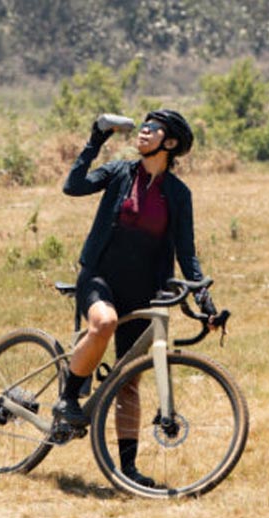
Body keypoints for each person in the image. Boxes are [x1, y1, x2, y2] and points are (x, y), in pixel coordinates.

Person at [56, 109, 219, 487]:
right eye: (142, 128)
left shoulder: (178, 195)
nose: (143, 133)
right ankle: (67, 397)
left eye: (152, 129)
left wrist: (205, 302)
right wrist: (95, 139)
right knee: (104, 323)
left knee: (128, 381)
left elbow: (187, 253)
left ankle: (127, 470)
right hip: (99, 277)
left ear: (170, 143)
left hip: (144, 291)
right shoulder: (118, 172)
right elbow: (73, 186)